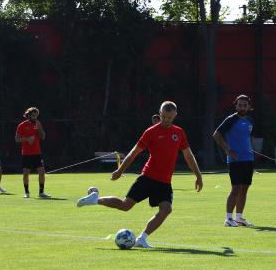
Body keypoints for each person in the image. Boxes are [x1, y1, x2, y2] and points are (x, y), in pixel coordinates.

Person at [77, 101, 203, 248]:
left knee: (166, 209)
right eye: (164, 117)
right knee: (125, 206)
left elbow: (188, 155)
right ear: (160, 113)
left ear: (175, 115)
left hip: (164, 182)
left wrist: (198, 175)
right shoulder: (151, 132)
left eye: (170, 118)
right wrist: (120, 171)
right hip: (148, 178)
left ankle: (142, 238)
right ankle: (95, 199)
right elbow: (134, 153)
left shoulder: (179, 132)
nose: (166, 121)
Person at [212, 94, 256, 227]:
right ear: (236, 105)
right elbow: (216, 135)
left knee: (245, 189)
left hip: (248, 159)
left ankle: (239, 218)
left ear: (249, 107)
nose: (242, 107)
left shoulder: (250, 121)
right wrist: (228, 151)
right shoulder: (231, 119)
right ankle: (228, 218)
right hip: (235, 160)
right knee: (235, 189)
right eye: (240, 104)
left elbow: (248, 138)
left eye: (245, 105)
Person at [15, 107, 50, 198]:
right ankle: (27, 193)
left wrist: (39, 129)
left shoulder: (38, 124)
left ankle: (41, 192)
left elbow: (43, 137)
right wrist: (27, 139)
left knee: (42, 172)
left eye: (36, 115)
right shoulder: (22, 125)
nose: (35, 117)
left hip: (37, 153)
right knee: (26, 173)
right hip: (26, 154)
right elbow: (17, 139)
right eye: (33, 115)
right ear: (29, 115)